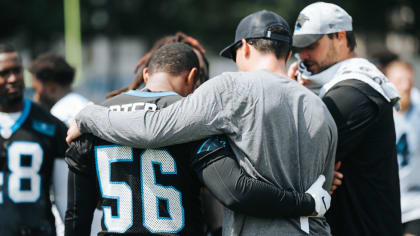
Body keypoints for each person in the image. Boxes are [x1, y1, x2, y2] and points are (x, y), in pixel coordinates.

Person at [67, 10, 337, 235]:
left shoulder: (230, 88)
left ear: (244, 47)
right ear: (288, 53)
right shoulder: (320, 106)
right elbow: (324, 185)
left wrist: (89, 115)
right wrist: (306, 202)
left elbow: (153, 129)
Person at [287, 2, 402, 236]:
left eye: (311, 45)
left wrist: (287, 92)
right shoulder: (328, 85)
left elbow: (291, 158)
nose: (303, 55)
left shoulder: (354, 91)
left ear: (339, 36)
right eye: (299, 47)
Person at [28, 53, 100, 236]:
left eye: (36, 89)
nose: (35, 97)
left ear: (50, 87)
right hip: (98, 210)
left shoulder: (56, 118)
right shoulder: (89, 107)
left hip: (70, 210)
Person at [0, 43, 68, 235]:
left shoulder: (51, 125)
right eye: (4, 73)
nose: (13, 78)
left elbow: (65, 199)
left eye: (17, 71)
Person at [385, 61, 420, 236]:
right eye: (399, 80)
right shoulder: (378, 111)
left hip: (415, 204)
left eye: (409, 80)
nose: (405, 86)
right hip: (386, 203)